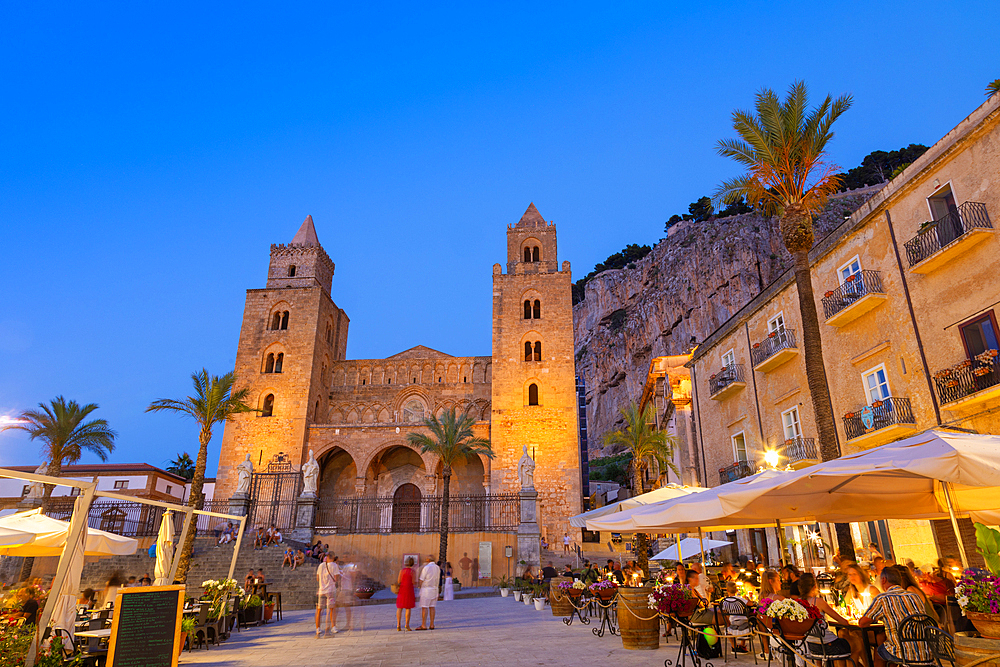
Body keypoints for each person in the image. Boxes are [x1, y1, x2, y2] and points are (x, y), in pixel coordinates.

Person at [860, 566, 931, 665]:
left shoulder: (882, 598)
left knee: (879, 652)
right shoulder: (914, 596)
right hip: (925, 651)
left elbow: (862, 623)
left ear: (883, 580)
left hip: (902, 652)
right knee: (886, 643)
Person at [796, 573, 855, 663]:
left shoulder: (798, 603)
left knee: (843, 638)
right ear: (814, 586)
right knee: (856, 645)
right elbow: (843, 622)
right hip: (828, 645)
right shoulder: (818, 602)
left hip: (812, 646)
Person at [315, 554, 341, 637]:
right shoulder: (334, 565)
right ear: (333, 558)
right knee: (332, 609)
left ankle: (318, 629)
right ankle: (333, 627)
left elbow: (317, 578)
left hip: (321, 590)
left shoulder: (321, 565)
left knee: (319, 610)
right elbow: (337, 578)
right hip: (331, 590)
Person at [416, 554, 440, 630]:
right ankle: (432, 624)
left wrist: (419, 586)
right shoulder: (437, 568)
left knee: (424, 607)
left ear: (428, 560)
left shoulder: (426, 568)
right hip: (435, 589)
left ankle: (423, 624)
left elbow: (421, 579)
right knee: (432, 607)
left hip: (426, 590)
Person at [336, 554, 356, 631]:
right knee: (339, 605)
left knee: (346, 606)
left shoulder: (351, 566)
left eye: (346, 556)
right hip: (343, 588)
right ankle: (339, 623)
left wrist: (353, 588)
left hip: (347, 588)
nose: (344, 558)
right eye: (343, 557)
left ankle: (348, 624)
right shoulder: (344, 566)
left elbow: (353, 577)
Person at [396, 557, 416, 631]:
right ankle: (407, 625)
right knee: (408, 607)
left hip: (402, 589)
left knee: (399, 607)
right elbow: (413, 582)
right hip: (409, 590)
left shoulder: (402, 571)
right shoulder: (412, 572)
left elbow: (399, 581)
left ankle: (398, 625)